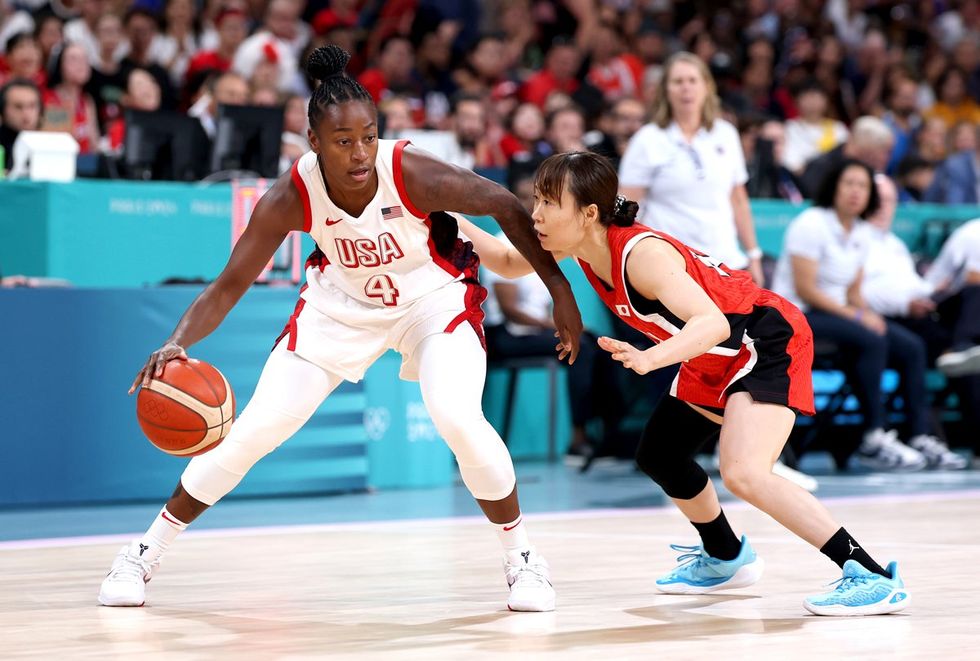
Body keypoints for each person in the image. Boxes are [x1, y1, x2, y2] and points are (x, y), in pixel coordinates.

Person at [98, 45, 583, 613]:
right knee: (254, 430)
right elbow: (229, 284)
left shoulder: (409, 171)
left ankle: (523, 559)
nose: (359, 153)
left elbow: (502, 202)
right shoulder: (290, 195)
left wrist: (560, 291)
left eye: (368, 136)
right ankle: (142, 553)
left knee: (456, 415)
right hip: (340, 310)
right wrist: (177, 340)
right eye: (343, 140)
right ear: (313, 142)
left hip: (431, 301)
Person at [462, 150, 909, 616]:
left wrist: (651, 357)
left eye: (548, 202)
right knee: (660, 453)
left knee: (744, 472)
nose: (535, 213)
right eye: (535, 198)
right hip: (715, 350)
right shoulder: (576, 245)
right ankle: (725, 554)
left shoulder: (642, 255)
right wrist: (445, 210)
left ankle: (870, 575)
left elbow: (712, 323)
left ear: (588, 212)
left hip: (764, 339)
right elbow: (505, 261)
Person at [771, 159, 929, 472]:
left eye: (863, 186)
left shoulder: (862, 232)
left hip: (837, 316)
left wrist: (866, 313)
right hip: (796, 314)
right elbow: (806, 290)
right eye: (849, 183)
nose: (856, 192)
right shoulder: (812, 223)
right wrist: (857, 318)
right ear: (834, 187)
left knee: (909, 346)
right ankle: (873, 434)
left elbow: (853, 292)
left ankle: (921, 436)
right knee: (869, 339)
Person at [618, 52, 766, 286]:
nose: (686, 88)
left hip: (724, 261)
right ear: (666, 90)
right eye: (678, 82)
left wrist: (753, 255)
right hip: (671, 265)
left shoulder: (725, 133)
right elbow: (625, 206)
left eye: (692, 80)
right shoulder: (648, 139)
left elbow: (738, 200)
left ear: (707, 86)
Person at [861, 175, 968, 469]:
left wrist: (933, 291)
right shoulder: (857, 238)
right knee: (913, 347)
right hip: (878, 318)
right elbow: (862, 293)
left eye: (890, 201)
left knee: (962, 330)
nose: (884, 207)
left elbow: (912, 286)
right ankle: (913, 434)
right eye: (879, 200)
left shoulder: (894, 244)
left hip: (914, 313)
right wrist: (907, 303)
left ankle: (962, 354)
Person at [0, 77, 42, 173]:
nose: (26, 113)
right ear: (3, 110)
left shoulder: (48, 144)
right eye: (18, 106)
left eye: (32, 106)